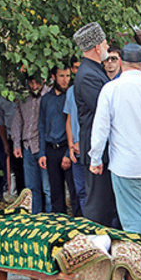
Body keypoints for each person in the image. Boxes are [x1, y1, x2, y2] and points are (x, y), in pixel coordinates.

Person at [89, 43, 141, 260]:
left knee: (132, 216)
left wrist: (95, 158)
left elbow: (101, 128)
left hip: (124, 163)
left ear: (122, 63)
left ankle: (139, 262)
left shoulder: (111, 89)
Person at [73, 22, 120, 229]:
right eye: (105, 44)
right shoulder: (88, 75)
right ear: (96, 47)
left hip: (101, 147)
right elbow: (104, 112)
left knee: (106, 203)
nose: (107, 47)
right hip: (96, 148)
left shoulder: (93, 71)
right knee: (98, 205)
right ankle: (96, 249)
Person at [38, 65, 77, 215]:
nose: (65, 80)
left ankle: (77, 222)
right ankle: (59, 221)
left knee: (74, 189)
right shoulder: (46, 99)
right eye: (61, 76)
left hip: (67, 147)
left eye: (67, 76)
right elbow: (41, 126)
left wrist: (68, 152)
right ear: (53, 77)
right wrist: (42, 152)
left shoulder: (71, 97)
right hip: (50, 148)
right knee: (55, 190)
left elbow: (74, 125)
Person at [11, 74, 52, 214]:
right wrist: (16, 143)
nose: (34, 86)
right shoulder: (23, 98)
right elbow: (17, 121)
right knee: (31, 187)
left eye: (37, 83)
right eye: (31, 83)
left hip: (43, 146)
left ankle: (50, 219)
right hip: (27, 146)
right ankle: (35, 218)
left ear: (44, 80)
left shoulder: (49, 96)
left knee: (48, 188)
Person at [64, 55, 86, 216]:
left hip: (89, 148)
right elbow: (69, 119)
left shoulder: (93, 87)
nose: (78, 71)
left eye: (81, 67)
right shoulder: (71, 91)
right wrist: (71, 146)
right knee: (80, 191)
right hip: (76, 149)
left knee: (95, 193)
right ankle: (86, 226)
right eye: (75, 68)